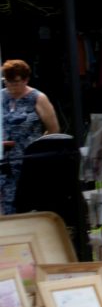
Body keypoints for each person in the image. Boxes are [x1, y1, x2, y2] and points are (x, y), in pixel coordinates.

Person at [1, 60, 60, 214]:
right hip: (5, 163)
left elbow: (53, 130)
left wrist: (36, 147)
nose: (11, 86)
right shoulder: (2, 97)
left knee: (27, 205)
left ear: (26, 80)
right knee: (6, 206)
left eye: (15, 82)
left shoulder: (38, 98)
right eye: (7, 82)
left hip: (29, 161)